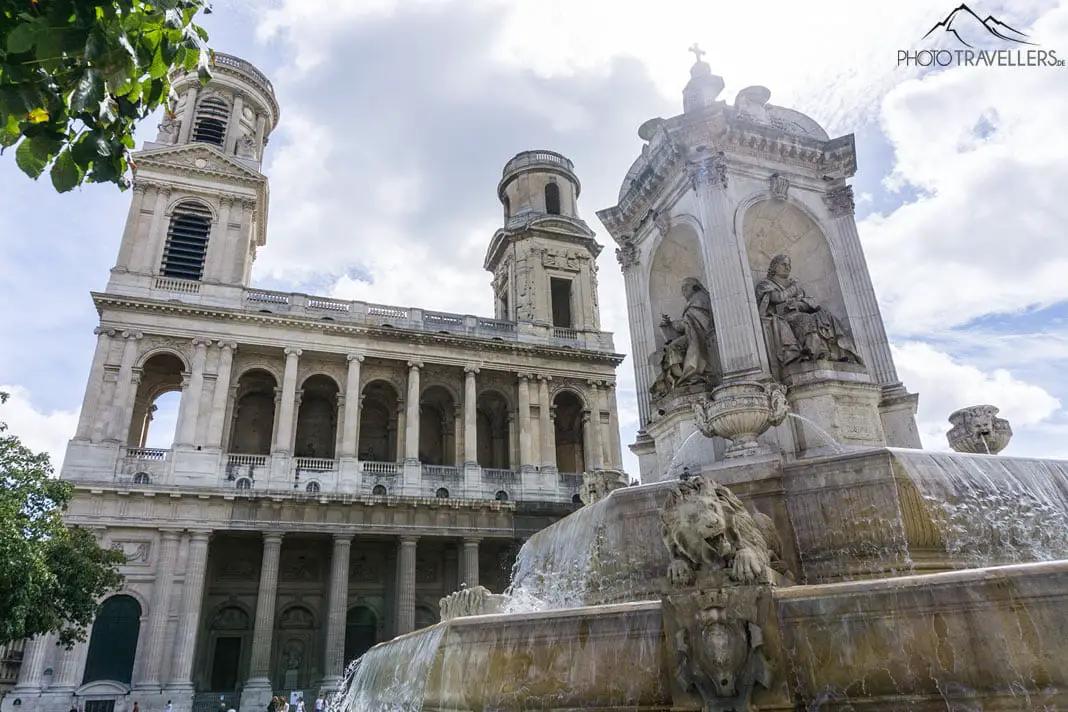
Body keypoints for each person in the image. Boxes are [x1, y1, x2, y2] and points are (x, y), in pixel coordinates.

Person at [755, 254, 861, 366]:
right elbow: (778, 298)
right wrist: (794, 288)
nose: (787, 267)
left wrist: (800, 304)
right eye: (784, 264)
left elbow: (806, 301)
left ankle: (840, 352)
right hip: (782, 316)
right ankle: (814, 352)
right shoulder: (766, 284)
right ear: (774, 266)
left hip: (798, 312)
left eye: (789, 265)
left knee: (826, 316)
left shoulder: (794, 285)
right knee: (805, 319)